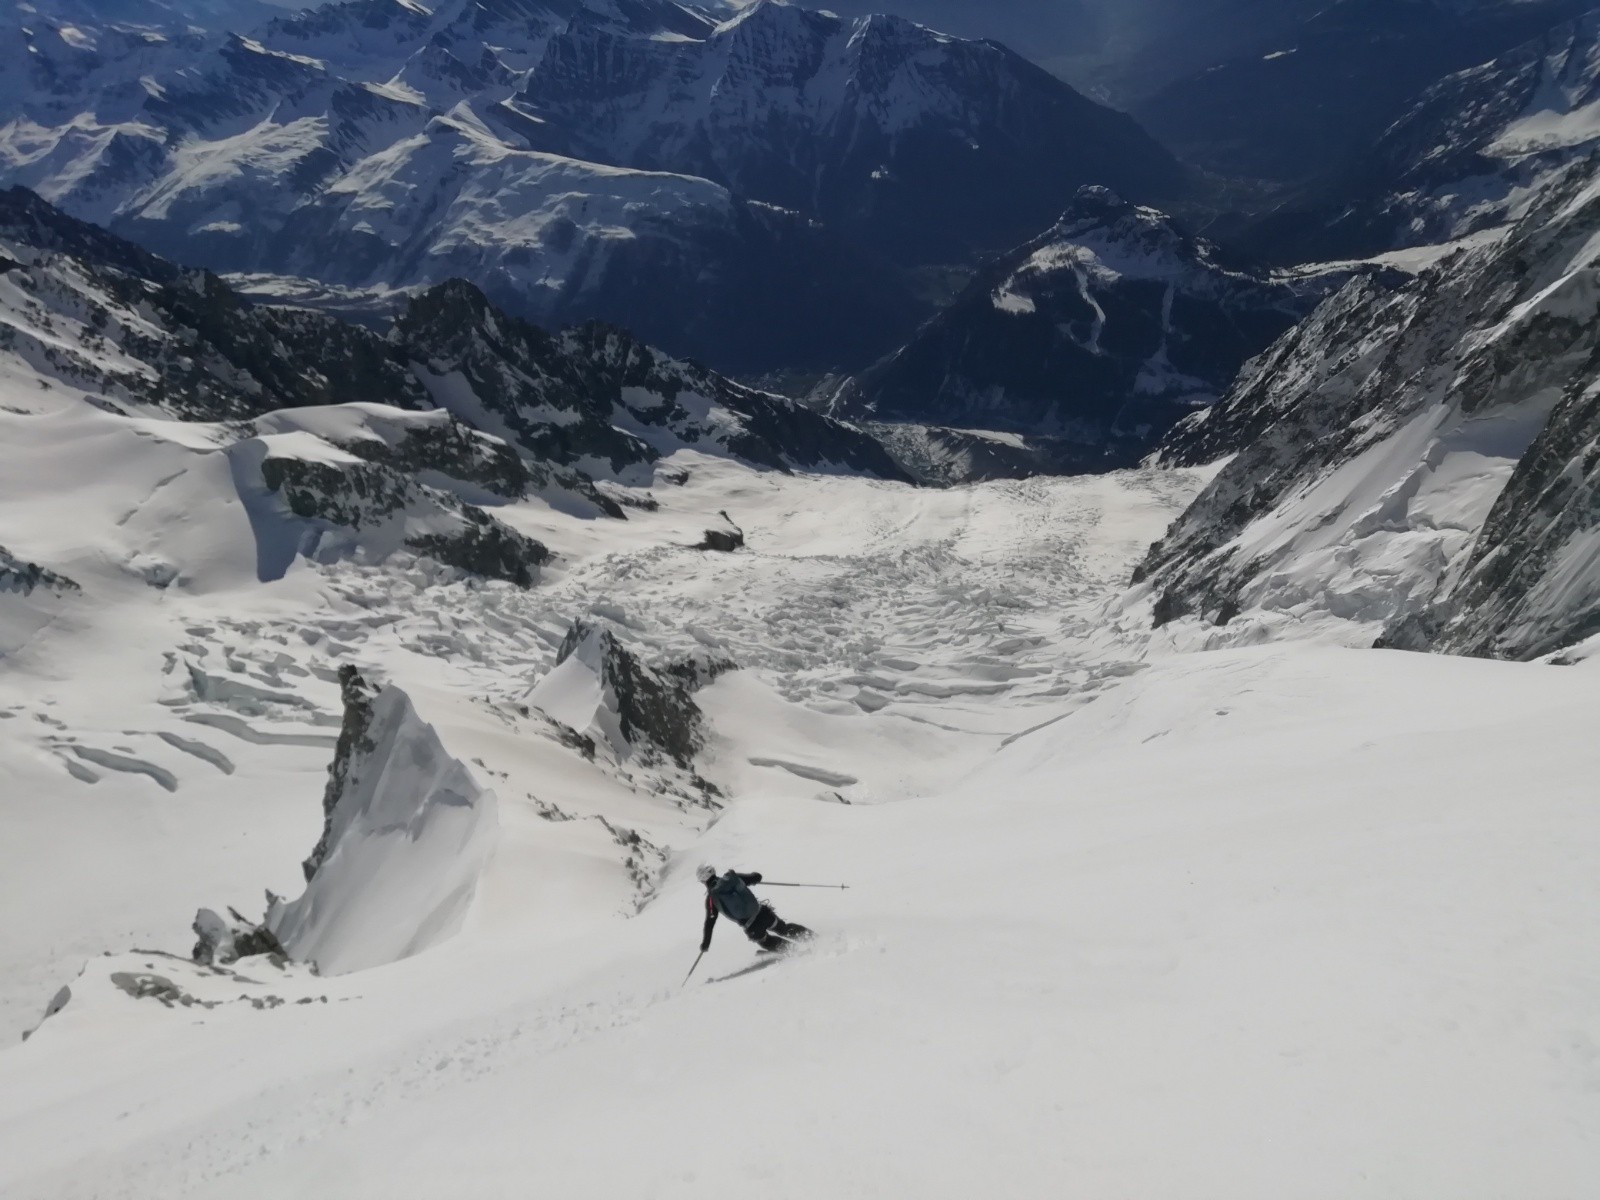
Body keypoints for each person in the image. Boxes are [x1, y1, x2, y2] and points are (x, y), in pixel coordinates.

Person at [698, 864, 813, 954]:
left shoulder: (712, 899)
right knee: (783, 928)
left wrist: (705, 944)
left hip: (752, 926)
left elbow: (710, 923)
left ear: (703, 880)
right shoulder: (732, 878)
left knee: (765, 941)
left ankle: (793, 951)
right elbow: (757, 877)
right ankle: (812, 938)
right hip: (763, 913)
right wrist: (752, 878)